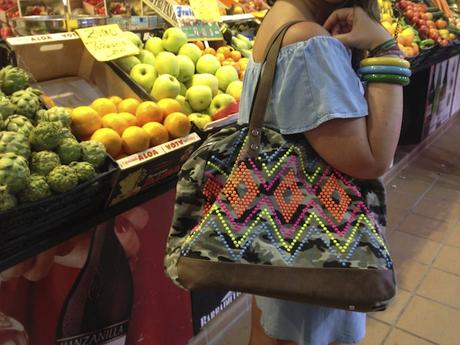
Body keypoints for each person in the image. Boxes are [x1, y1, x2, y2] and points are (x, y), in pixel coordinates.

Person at [238, 0, 404, 344]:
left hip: (285, 228)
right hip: (316, 241)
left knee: (274, 326)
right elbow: (374, 158)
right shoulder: (307, 41)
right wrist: (384, 46)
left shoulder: (283, 18)